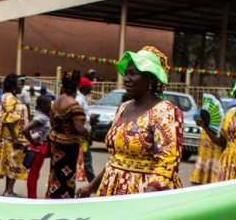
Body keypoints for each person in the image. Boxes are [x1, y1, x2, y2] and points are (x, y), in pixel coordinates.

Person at [77, 46, 183, 197]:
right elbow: (115, 160)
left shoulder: (165, 111)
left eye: (133, 73)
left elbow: (167, 165)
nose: (126, 79)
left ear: (151, 78)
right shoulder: (123, 108)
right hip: (112, 191)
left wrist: (141, 202)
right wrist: (91, 186)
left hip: (144, 195)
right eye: (126, 73)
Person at [44, 70, 89, 199]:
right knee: (68, 175)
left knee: (55, 173)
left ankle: (53, 196)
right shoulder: (74, 105)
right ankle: (64, 198)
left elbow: (52, 123)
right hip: (69, 146)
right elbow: (79, 127)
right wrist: (87, 133)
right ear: (77, 85)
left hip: (56, 143)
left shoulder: (56, 102)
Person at [0, 73, 29, 197]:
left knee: (11, 165)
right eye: (19, 84)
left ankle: (8, 190)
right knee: (13, 164)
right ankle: (9, 191)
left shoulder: (11, 97)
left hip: (13, 138)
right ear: (13, 85)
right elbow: (8, 118)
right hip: (11, 139)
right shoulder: (8, 97)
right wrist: (15, 138)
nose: (21, 86)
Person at [22, 94, 52, 199]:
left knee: (35, 173)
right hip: (38, 148)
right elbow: (25, 130)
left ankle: (32, 196)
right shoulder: (40, 118)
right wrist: (33, 142)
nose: (51, 104)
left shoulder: (43, 115)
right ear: (43, 105)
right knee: (34, 174)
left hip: (42, 147)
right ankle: (32, 197)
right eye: (49, 103)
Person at [190, 103, 224, 185]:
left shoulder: (220, 114)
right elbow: (195, 116)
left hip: (213, 135)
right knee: (204, 155)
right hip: (206, 135)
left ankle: (210, 176)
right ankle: (203, 176)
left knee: (213, 156)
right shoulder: (203, 111)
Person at [76, 76, 96, 182]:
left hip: (84, 134)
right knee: (87, 158)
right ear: (84, 87)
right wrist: (89, 118)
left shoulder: (82, 99)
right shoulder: (79, 100)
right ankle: (93, 183)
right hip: (82, 135)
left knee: (86, 158)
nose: (91, 88)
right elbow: (78, 116)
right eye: (89, 86)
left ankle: (91, 183)